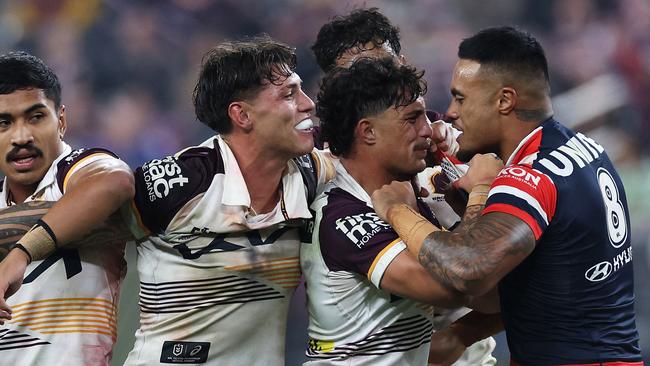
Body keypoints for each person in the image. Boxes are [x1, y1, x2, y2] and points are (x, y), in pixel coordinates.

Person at [371, 26, 643, 365]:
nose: (451, 111)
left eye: (461, 97)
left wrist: (398, 209)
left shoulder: (528, 176)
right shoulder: (585, 147)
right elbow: (524, 288)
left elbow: (468, 270)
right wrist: (464, 333)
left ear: (505, 100)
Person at [117, 37, 333, 365]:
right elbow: (93, 228)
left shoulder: (311, 175)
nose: (308, 104)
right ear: (242, 115)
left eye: (300, 90)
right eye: (289, 94)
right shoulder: (179, 185)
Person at [311, 8, 497, 365]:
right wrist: (479, 193)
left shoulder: (454, 151)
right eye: (355, 75)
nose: (372, 79)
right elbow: (464, 280)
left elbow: (532, 277)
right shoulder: (324, 181)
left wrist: (464, 334)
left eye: (382, 67)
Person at [0, 51, 134, 365]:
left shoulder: (76, 172)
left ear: (61, 120)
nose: (22, 137)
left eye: (35, 117)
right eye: (4, 123)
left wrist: (21, 253)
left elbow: (116, 182)